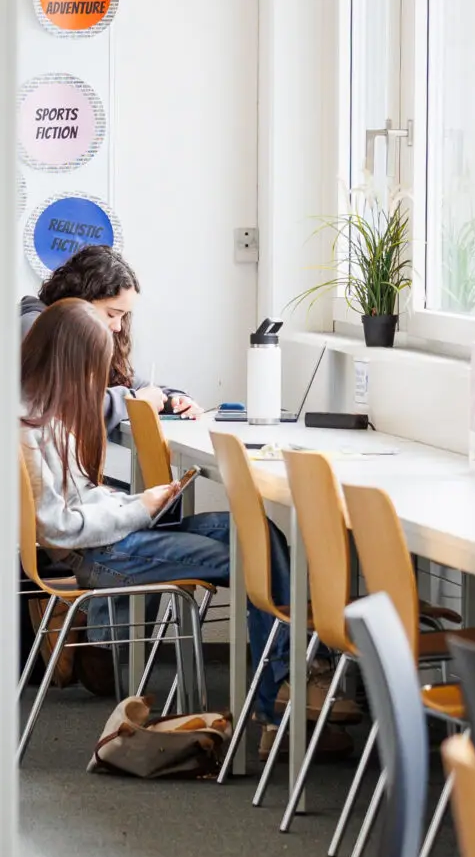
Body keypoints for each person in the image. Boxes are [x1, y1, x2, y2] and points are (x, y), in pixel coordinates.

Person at [21, 298, 287, 708]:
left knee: (255, 531)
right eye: (93, 368)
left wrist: (135, 502)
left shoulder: (46, 409)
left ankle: (291, 679)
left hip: (110, 536)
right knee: (253, 555)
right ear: (70, 363)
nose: (96, 380)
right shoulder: (29, 427)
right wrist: (139, 509)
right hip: (100, 554)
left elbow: (78, 500)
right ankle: (280, 695)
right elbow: (57, 526)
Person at [18, 245, 200, 434]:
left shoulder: (76, 337)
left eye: (123, 316)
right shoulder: (33, 327)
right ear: (81, 300)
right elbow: (66, 405)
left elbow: (130, 383)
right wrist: (134, 401)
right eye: (112, 314)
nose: (118, 327)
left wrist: (173, 400)